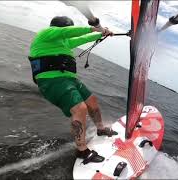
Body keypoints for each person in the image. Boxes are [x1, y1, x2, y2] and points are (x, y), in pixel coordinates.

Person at [29, 16, 117, 164]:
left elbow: (82, 39)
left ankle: (100, 128)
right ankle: (82, 151)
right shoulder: (45, 34)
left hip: (70, 80)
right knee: (80, 109)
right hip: (51, 81)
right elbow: (69, 32)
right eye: (66, 29)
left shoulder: (64, 42)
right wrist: (94, 27)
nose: (66, 32)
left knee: (92, 101)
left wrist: (102, 34)